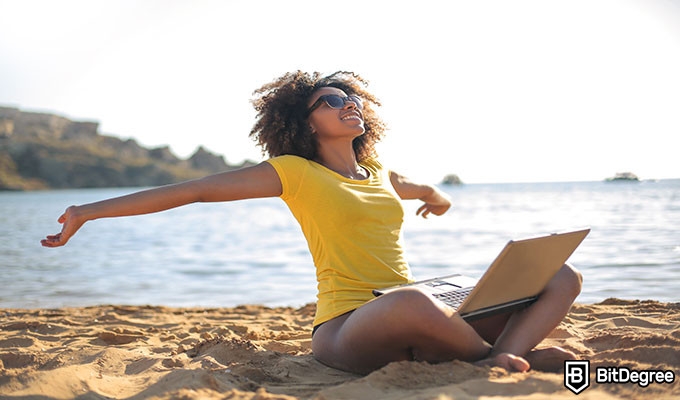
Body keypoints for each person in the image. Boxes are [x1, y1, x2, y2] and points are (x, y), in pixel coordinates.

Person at [41, 71, 582, 374]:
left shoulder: (376, 172)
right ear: (304, 123)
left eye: (351, 98)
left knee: (559, 274)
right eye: (331, 101)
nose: (348, 104)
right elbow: (195, 190)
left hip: (420, 307)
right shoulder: (295, 172)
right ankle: (503, 357)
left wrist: (436, 199)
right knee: (413, 301)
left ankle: (498, 353)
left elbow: (418, 188)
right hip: (349, 326)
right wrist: (87, 211)